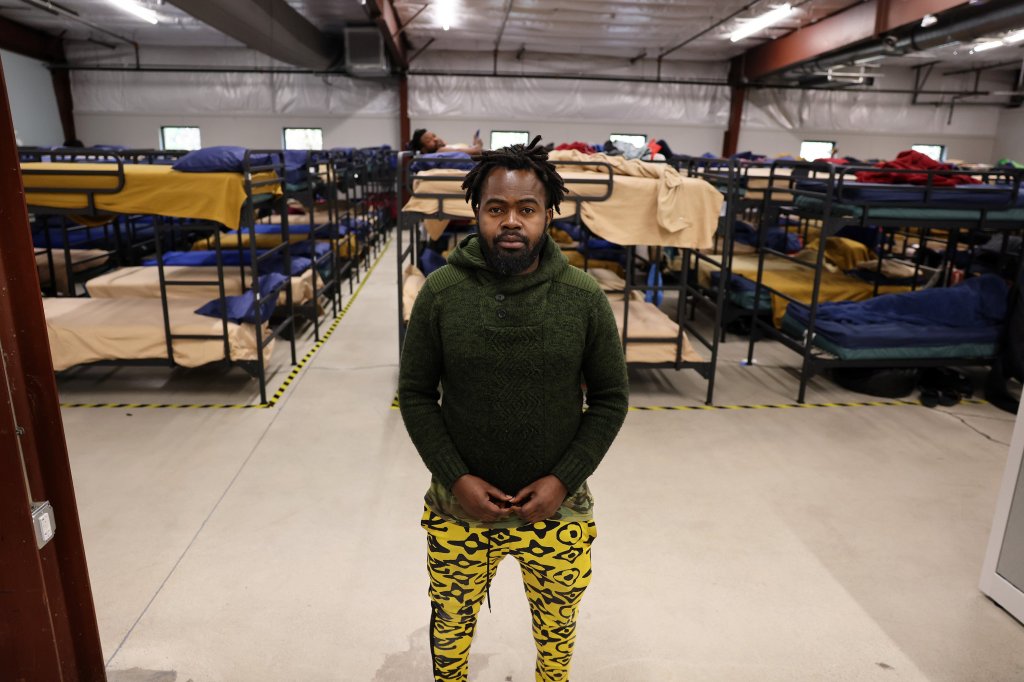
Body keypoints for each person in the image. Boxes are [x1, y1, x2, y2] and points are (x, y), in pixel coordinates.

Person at [398, 136, 629, 681]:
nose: (510, 221)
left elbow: (610, 399)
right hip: (458, 506)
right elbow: (415, 394)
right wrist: (456, 478)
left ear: (548, 215)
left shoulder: (583, 297)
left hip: (558, 509)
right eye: (496, 208)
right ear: (476, 212)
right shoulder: (441, 293)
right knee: (450, 624)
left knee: (557, 630)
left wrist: (562, 480)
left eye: (527, 209)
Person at [409, 128, 483, 154]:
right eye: (429, 140)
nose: (435, 139)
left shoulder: (446, 148)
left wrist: (474, 145)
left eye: (434, 136)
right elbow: (476, 151)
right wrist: (478, 144)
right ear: (424, 150)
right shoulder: (441, 151)